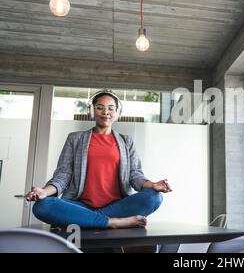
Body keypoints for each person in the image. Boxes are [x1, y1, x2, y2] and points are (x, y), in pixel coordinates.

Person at [26, 89, 172, 229]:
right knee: (42, 206)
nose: (106, 112)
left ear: (117, 113)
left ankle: (87, 220)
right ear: (92, 111)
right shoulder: (75, 139)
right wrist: (44, 192)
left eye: (111, 108)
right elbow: (63, 176)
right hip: (80, 204)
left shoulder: (127, 142)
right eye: (100, 107)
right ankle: (112, 222)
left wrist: (153, 185)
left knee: (154, 198)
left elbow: (135, 175)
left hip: (117, 206)